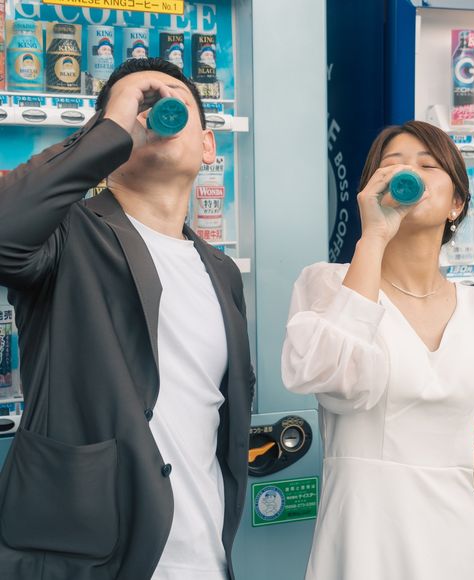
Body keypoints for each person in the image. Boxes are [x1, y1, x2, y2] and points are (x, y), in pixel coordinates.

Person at [281, 120, 474, 580]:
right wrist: (373, 237)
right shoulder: (329, 286)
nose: (409, 173)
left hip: (457, 540)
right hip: (364, 538)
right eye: (392, 165)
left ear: (456, 202)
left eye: (427, 165)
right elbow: (336, 383)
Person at [0, 57, 254, 580]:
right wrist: (110, 128)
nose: (154, 112)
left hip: (204, 560)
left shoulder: (222, 271)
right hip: (89, 563)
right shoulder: (67, 235)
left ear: (208, 145)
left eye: (172, 102)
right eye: (139, 105)